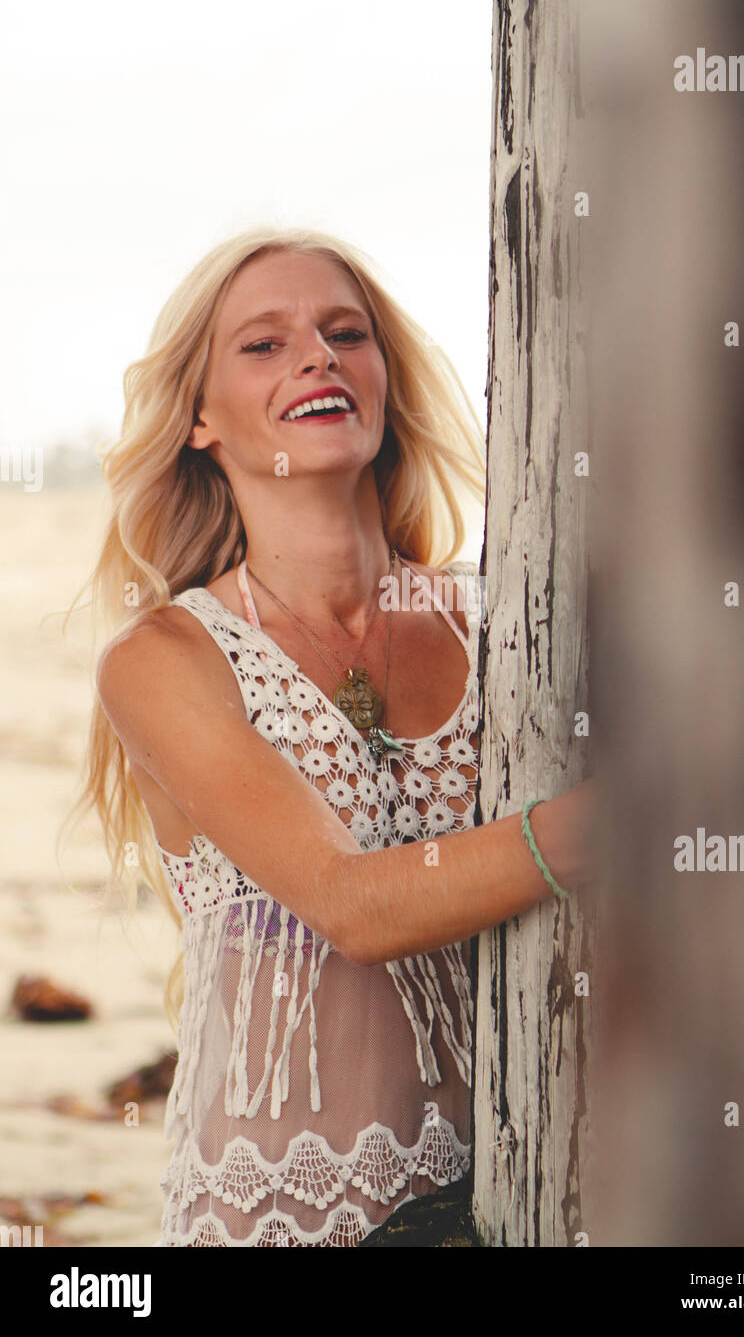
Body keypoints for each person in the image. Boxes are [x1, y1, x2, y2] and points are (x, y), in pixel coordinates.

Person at [83, 226, 596, 1246]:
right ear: (195, 417)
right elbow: (349, 905)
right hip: (273, 1218)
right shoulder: (166, 658)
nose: (315, 356)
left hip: (503, 1207)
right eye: (263, 345)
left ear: (382, 377)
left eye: (343, 332)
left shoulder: (510, 625)